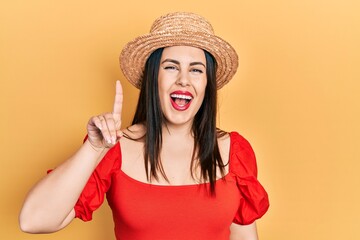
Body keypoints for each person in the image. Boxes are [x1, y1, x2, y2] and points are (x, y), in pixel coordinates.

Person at [19, 12, 269, 240]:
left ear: (207, 84)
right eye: (171, 67)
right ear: (153, 78)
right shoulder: (114, 148)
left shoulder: (234, 151)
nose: (183, 80)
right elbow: (34, 220)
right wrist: (94, 149)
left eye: (196, 70)